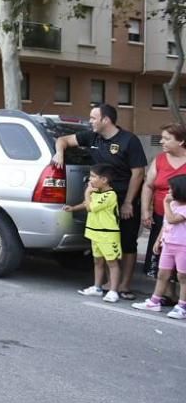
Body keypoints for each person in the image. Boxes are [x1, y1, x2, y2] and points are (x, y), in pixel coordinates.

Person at [54, 103, 147, 299]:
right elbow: (62, 140)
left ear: (106, 120)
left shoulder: (129, 140)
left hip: (123, 198)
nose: (90, 121)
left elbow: (138, 173)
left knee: (127, 243)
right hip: (100, 200)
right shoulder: (92, 137)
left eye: (93, 118)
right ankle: (104, 283)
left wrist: (128, 202)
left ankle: (123, 286)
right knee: (102, 240)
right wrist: (59, 152)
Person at [63, 164, 122, 303]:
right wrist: (73, 208)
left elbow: (92, 207)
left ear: (104, 179)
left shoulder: (110, 195)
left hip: (107, 234)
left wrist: (87, 192)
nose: (90, 179)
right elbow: (86, 204)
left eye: (93, 176)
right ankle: (97, 287)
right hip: (94, 232)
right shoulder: (96, 193)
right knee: (97, 261)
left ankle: (114, 290)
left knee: (112, 262)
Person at [140, 124, 186, 297]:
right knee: (161, 254)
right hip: (161, 216)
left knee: (182, 258)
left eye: (167, 138)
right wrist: (146, 210)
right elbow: (148, 185)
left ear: (181, 141)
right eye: (162, 137)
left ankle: (181, 300)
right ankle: (167, 295)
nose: (161, 141)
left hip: (182, 218)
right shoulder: (159, 159)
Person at [133, 174, 186, 319]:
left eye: (171, 189)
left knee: (182, 276)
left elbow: (172, 219)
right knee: (162, 273)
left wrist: (165, 203)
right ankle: (154, 301)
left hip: (182, 246)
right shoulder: (173, 205)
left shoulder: (182, 208)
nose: (168, 192)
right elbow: (165, 224)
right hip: (168, 244)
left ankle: (182, 306)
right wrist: (158, 240)